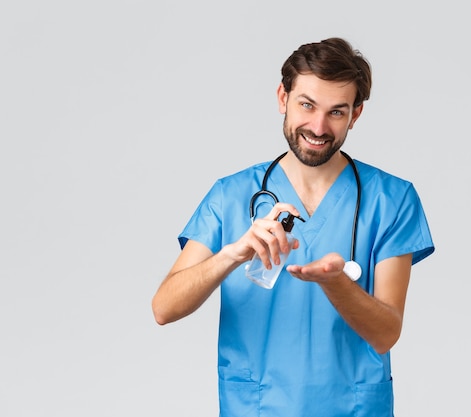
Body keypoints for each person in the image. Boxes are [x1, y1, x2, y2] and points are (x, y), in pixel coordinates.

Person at [152, 37, 435, 416]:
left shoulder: (391, 199)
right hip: (257, 407)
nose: (318, 126)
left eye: (337, 112)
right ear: (282, 97)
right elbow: (163, 308)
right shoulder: (231, 196)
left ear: (356, 114)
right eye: (307, 105)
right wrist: (231, 254)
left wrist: (336, 285)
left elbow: (386, 333)